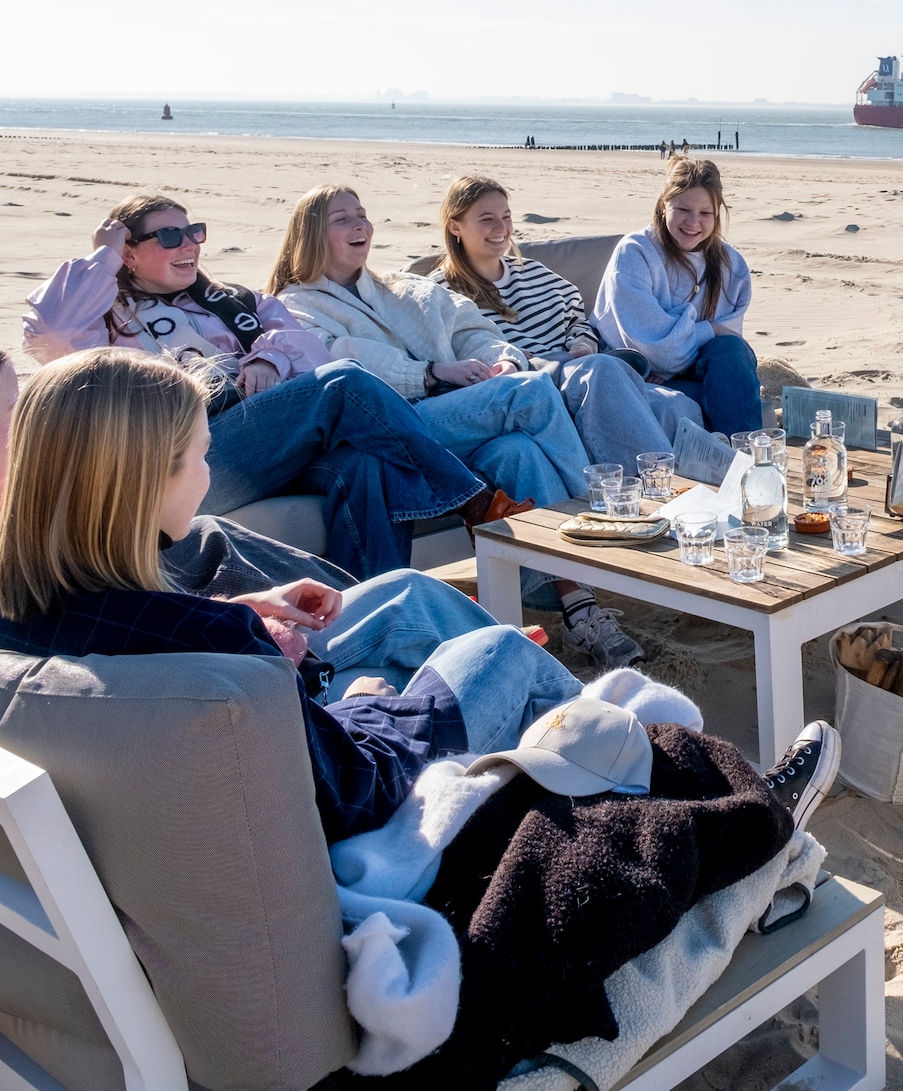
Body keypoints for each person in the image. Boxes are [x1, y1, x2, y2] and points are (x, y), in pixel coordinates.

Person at [0, 347, 583, 843]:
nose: (208, 476)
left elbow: (135, 638)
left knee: (409, 593)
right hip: (341, 789)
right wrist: (368, 701)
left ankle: (545, 706)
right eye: (202, 456)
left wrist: (238, 608)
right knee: (501, 651)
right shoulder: (216, 640)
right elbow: (354, 790)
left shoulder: (28, 599)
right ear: (146, 479)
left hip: (185, 775)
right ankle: (613, 744)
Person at [22, 194, 508, 580]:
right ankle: (473, 500)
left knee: (362, 465)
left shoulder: (231, 301)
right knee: (343, 383)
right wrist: (102, 257)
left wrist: (271, 360)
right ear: (129, 251)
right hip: (173, 457)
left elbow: (304, 347)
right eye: (169, 236)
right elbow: (50, 331)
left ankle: (370, 608)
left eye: (194, 232)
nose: (189, 244)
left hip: (261, 441)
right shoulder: (105, 317)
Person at [271, 184, 637, 666]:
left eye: (362, 214)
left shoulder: (403, 287)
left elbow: (472, 329)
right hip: (390, 428)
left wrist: (501, 359)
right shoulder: (294, 304)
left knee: (517, 452)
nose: (360, 224)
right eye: (343, 218)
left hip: (457, 426)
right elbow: (340, 363)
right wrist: (432, 373)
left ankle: (575, 608)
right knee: (528, 390)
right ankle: (602, 516)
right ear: (312, 233)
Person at [428, 174, 704, 466]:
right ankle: (654, 489)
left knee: (673, 405)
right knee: (599, 370)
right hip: (527, 387)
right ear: (455, 225)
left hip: (575, 366)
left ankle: (706, 495)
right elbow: (449, 354)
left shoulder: (536, 274)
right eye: (487, 219)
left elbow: (577, 321)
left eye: (506, 216)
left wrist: (582, 343)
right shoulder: (439, 293)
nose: (501, 228)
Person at [594, 156, 762, 435]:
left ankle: (744, 462)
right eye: (683, 209)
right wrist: (710, 328)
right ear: (663, 205)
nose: (693, 222)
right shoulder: (635, 253)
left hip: (690, 369)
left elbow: (730, 345)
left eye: (705, 213)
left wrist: (681, 331)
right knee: (720, 387)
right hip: (638, 371)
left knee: (732, 355)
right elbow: (656, 348)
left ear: (717, 213)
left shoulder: (731, 265)